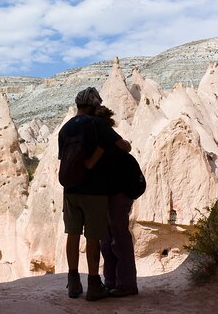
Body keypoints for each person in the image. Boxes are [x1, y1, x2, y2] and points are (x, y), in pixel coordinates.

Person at [58, 87, 131, 301]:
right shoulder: (97, 125)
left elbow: (65, 159)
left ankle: (73, 282)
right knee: (93, 238)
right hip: (94, 191)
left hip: (70, 190)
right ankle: (93, 284)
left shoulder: (65, 129)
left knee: (72, 234)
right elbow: (124, 147)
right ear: (94, 105)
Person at [93, 105, 139, 297]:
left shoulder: (110, 139)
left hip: (118, 193)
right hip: (108, 194)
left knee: (118, 238)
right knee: (107, 240)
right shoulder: (104, 139)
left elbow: (125, 147)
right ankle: (112, 282)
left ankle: (127, 284)